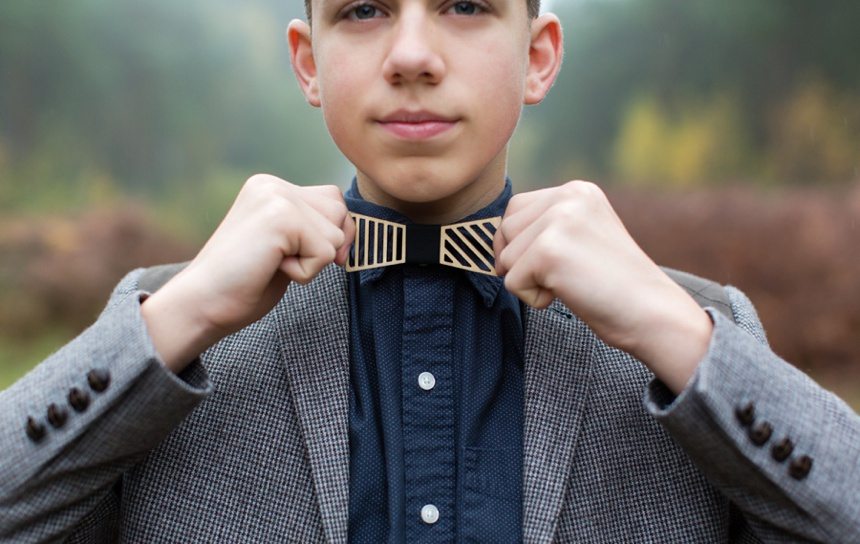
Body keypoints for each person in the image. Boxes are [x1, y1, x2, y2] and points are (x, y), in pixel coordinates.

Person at [1, 0, 858, 542]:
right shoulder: (167, 332)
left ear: (538, 56)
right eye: (366, 10)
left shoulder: (697, 335)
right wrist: (170, 325)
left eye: (464, 6)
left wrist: (673, 334)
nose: (412, 54)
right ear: (308, 60)